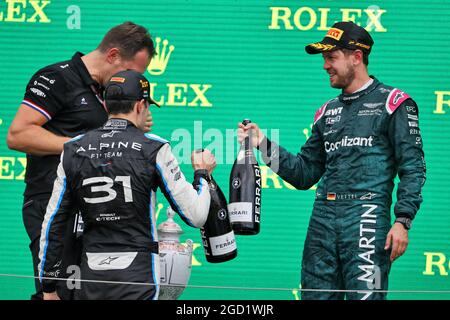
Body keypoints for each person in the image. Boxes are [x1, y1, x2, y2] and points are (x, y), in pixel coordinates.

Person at [238, 21, 426, 300]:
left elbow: (413, 167)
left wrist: (402, 220)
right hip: (323, 217)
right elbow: (304, 174)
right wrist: (263, 145)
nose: (325, 65)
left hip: (366, 215)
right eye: (324, 58)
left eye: (331, 57)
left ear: (356, 57)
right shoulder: (327, 112)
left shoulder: (395, 102)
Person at [6, 21, 156, 300]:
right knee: (57, 293)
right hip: (53, 205)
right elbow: (18, 134)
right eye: (131, 73)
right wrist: (85, 147)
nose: (132, 82)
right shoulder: (56, 77)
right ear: (112, 55)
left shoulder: (105, 93)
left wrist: (134, 125)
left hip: (94, 208)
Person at [38, 69, 216, 300]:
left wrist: (49, 286)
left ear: (105, 106)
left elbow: (53, 222)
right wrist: (202, 174)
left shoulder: (73, 148)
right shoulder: (154, 148)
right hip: (137, 280)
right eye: (148, 106)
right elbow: (197, 215)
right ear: (141, 105)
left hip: (90, 278)